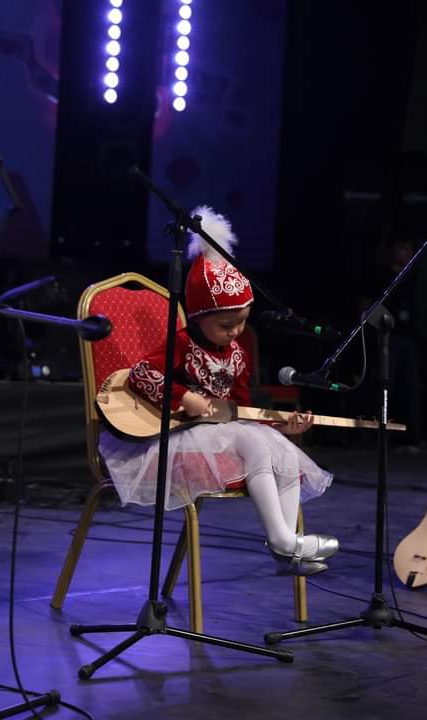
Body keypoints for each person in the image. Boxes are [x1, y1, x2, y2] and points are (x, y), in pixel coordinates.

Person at [99, 207, 337, 575]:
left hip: (226, 434)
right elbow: (142, 374)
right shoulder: (182, 343)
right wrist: (184, 397)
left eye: (241, 323)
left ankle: (287, 545)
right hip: (183, 436)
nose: (235, 332)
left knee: (282, 451)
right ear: (197, 317)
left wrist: (279, 426)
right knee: (257, 445)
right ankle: (281, 540)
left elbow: (241, 410)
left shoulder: (238, 353)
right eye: (226, 325)